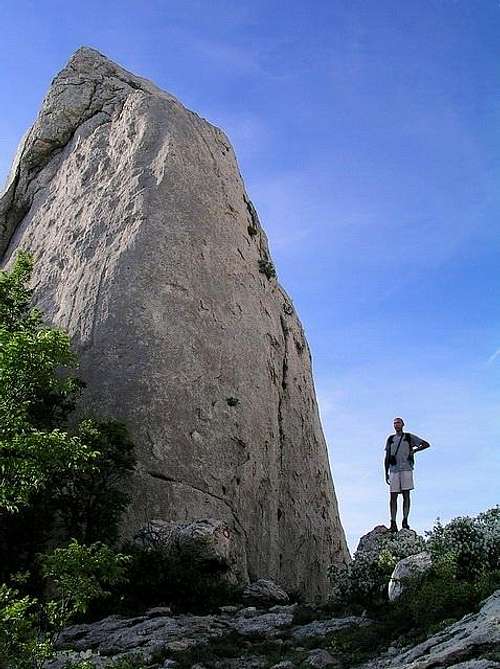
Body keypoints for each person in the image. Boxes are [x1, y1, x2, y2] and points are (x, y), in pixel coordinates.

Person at [384, 417, 430, 532]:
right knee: (393, 497)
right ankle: (393, 522)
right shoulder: (390, 439)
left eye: (398, 423)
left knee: (406, 495)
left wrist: (414, 451)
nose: (396, 425)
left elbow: (425, 444)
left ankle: (405, 521)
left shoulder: (409, 437)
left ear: (403, 424)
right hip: (393, 469)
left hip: (406, 468)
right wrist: (386, 472)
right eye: (394, 423)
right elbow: (387, 456)